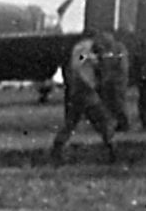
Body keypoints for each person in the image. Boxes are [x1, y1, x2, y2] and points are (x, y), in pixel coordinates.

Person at [50, 32, 117, 161]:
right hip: (85, 90)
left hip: (79, 90)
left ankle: (57, 148)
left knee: (71, 122)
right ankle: (111, 149)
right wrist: (92, 60)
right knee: (102, 120)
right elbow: (78, 63)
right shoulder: (84, 49)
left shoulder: (83, 48)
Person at [94, 31, 131, 132]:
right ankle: (115, 123)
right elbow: (101, 64)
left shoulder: (119, 48)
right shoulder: (103, 50)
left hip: (118, 80)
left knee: (119, 102)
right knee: (109, 103)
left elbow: (123, 66)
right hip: (107, 81)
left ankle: (124, 124)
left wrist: (116, 77)